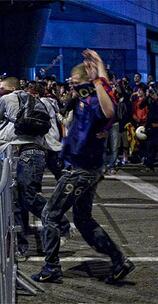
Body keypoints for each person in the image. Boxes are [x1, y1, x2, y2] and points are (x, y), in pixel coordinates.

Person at [32, 49, 135, 284]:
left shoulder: (92, 102)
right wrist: (98, 71)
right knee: (83, 219)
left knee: (50, 214)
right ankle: (119, 261)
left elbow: (109, 108)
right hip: (84, 168)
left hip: (80, 169)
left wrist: (97, 75)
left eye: (75, 82)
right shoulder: (85, 100)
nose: (71, 86)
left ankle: (51, 267)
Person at [0, 78, 70, 259]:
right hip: (36, 152)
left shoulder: (7, 99)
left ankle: (59, 222)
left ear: (11, 88)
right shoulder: (36, 101)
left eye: (2, 88)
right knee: (19, 200)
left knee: (26, 198)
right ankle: (20, 245)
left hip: (22, 153)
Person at [140, 84, 158, 171]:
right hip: (150, 125)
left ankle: (150, 165)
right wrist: (147, 97)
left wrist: (156, 98)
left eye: (152, 90)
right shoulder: (149, 99)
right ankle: (149, 165)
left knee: (153, 146)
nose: (151, 92)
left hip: (156, 125)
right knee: (149, 146)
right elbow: (141, 106)